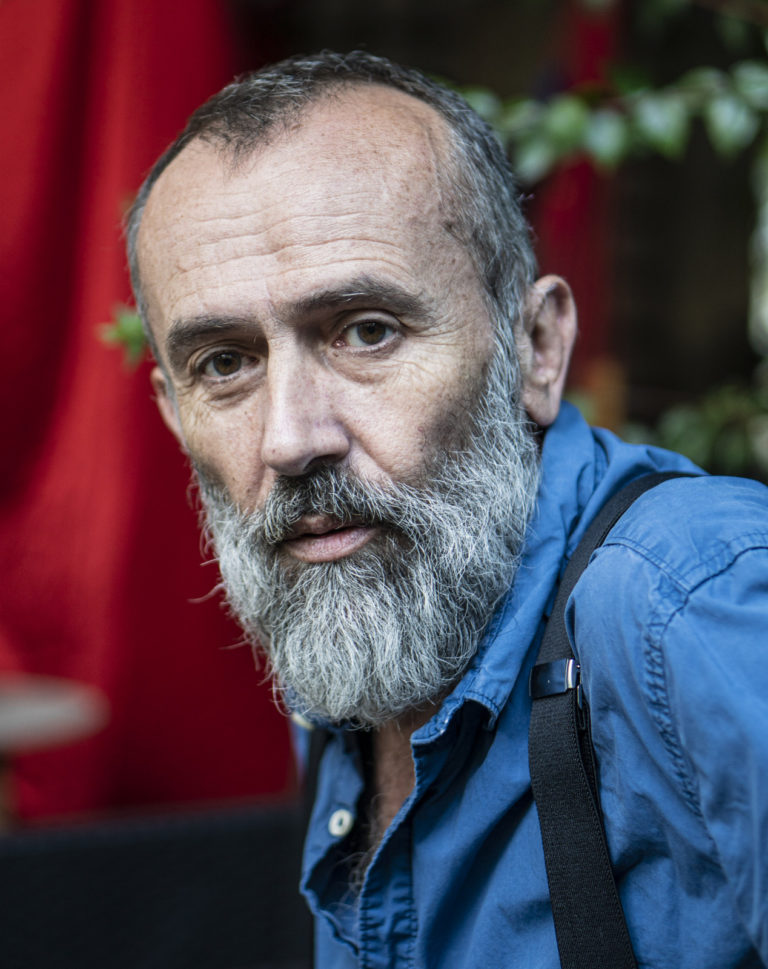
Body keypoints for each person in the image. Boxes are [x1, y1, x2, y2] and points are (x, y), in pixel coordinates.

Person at [126, 51, 768, 969]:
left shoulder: (693, 603)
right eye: (224, 363)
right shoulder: (344, 667)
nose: (290, 438)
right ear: (172, 411)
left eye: (367, 331)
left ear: (536, 348)